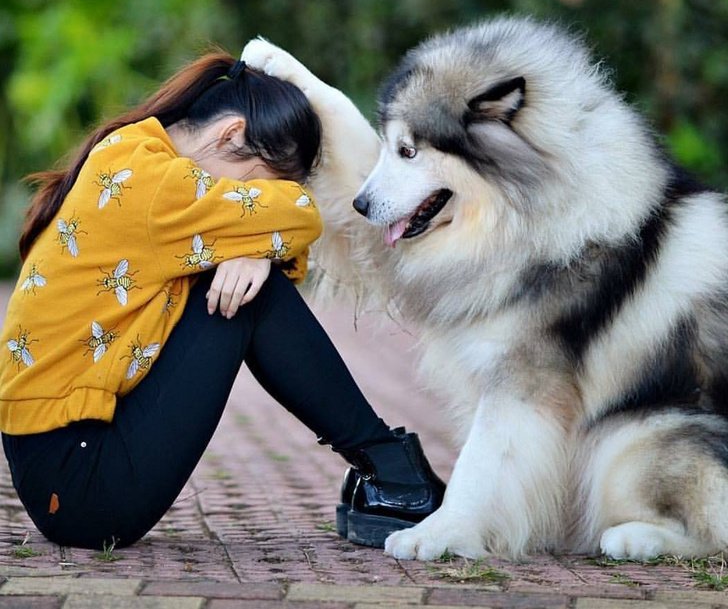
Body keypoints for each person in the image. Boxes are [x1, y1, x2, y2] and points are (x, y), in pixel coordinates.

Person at [0, 49, 444, 551]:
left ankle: (386, 467)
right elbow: (301, 215)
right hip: (81, 485)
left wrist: (250, 250)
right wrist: (257, 243)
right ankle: (393, 472)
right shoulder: (151, 183)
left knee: (243, 280)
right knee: (249, 297)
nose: (250, 201)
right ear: (230, 135)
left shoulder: (137, 154)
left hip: (67, 461)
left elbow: (279, 233)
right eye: (256, 185)